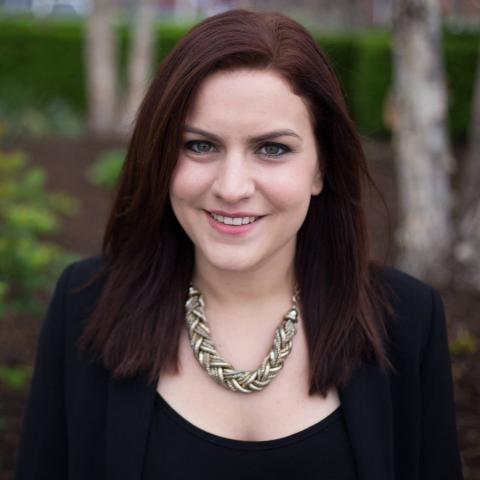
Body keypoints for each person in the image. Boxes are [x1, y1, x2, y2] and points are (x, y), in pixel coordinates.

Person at [15, 9, 463, 480]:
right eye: (200, 145)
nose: (231, 187)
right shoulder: (85, 305)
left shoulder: (408, 320)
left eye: (272, 148)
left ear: (321, 167)